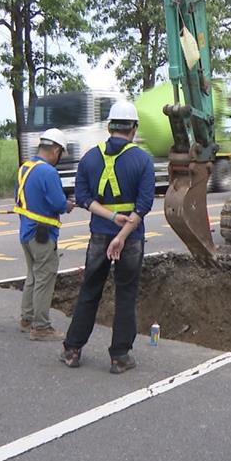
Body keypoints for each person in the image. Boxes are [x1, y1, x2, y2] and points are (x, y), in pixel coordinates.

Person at [60, 101, 155, 374]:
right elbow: (143, 205)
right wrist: (123, 234)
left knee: (90, 290)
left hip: (100, 235)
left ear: (109, 126)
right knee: (126, 294)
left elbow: (84, 199)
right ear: (134, 129)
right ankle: (120, 356)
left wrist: (111, 220)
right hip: (131, 238)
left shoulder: (89, 158)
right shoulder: (143, 160)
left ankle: (72, 350)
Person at [15, 128, 74, 341]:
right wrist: (68, 205)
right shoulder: (48, 172)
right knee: (44, 278)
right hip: (43, 235)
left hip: (26, 232)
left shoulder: (25, 168)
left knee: (32, 276)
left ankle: (27, 318)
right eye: (60, 154)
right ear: (56, 150)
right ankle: (41, 327)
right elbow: (58, 203)